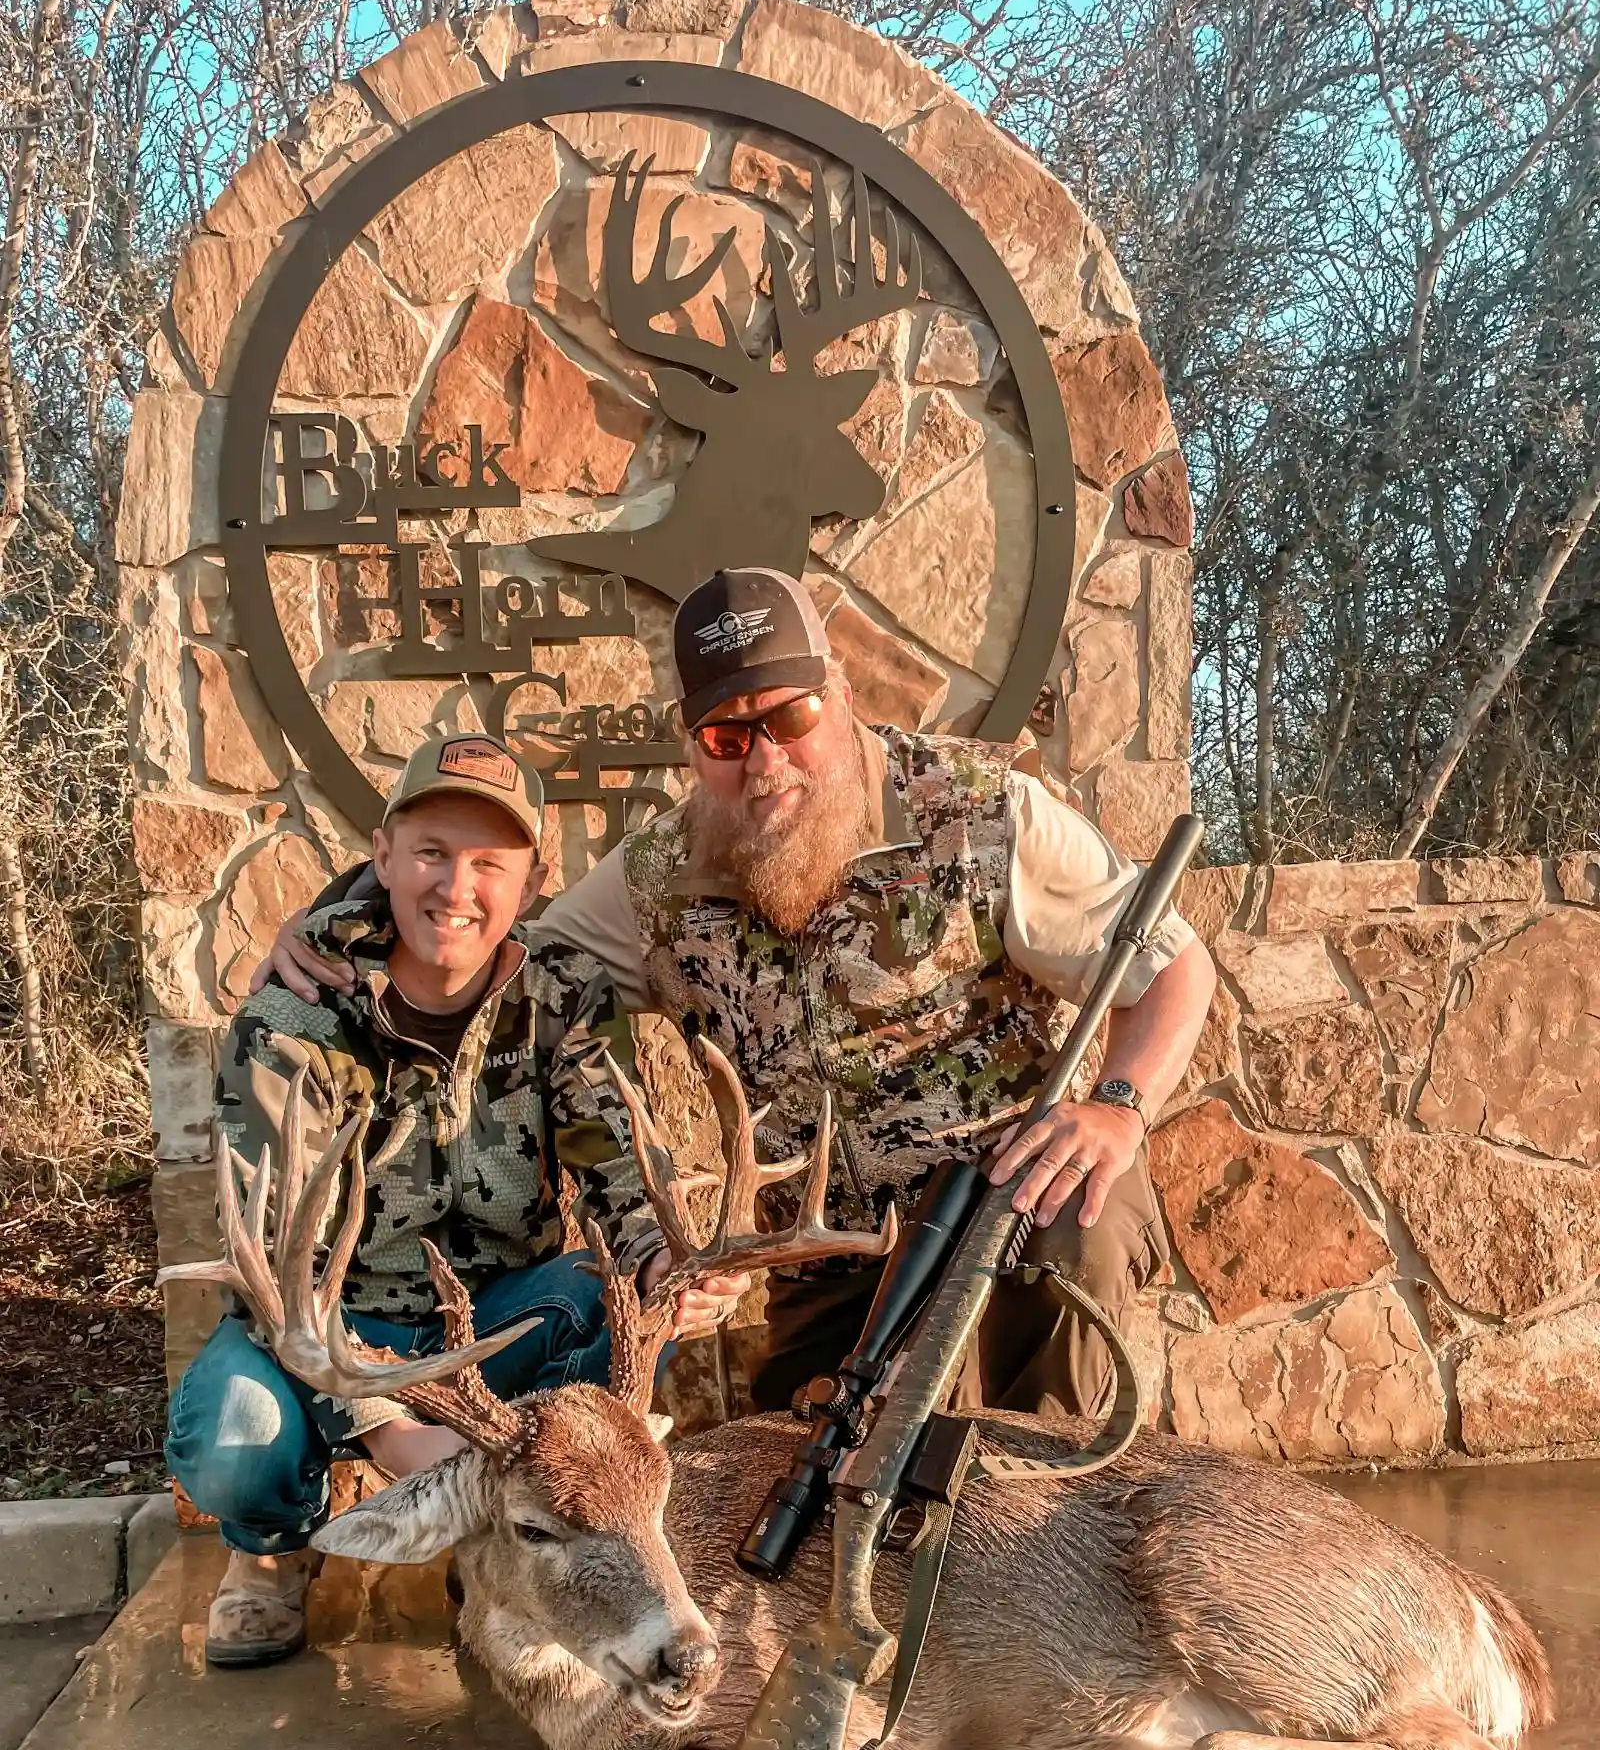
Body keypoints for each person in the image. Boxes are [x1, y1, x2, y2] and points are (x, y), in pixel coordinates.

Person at [260, 570, 1216, 1422]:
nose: (764, 763)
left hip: (1016, 1205)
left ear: (837, 697)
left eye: (789, 718)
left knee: (1047, 1386)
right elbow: (493, 940)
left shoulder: (982, 811)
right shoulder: (658, 880)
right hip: (839, 1266)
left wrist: (1120, 1107)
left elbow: (1171, 961)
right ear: (692, 746)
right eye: (727, 734)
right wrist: (337, 915)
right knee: (799, 1485)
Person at [168, 732, 707, 1669]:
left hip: (493, 1324)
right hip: (331, 1327)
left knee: (613, 1306)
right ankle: (269, 1551)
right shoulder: (296, 1017)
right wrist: (385, 1428)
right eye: (432, 853)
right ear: (383, 857)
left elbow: (612, 1163)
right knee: (235, 1436)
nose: (457, 888)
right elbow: (274, 1266)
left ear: (531, 883)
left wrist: (667, 1265)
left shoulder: (560, 995)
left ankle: (508, 1549)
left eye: (489, 863)